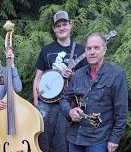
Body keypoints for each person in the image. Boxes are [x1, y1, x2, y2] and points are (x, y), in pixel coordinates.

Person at [60, 32, 128, 152]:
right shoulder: (78, 74)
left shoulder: (116, 74)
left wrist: (115, 138)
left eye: (96, 48)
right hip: (75, 137)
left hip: (98, 140)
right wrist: (70, 111)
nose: (92, 52)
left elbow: (121, 111)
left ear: (104, 50)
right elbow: (64, 98)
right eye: (88, 48)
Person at [33, 11, 87, 152]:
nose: (61, 28)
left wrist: (73, 76)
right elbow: (38, 77)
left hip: (68, 104)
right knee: (41, 141)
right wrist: (36, 101)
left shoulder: (81, 50)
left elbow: (87, 80)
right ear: (54, 29)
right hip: (46, 104)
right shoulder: (46, 50)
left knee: (62, 144)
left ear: (70, 26)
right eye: (58, 25)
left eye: (64, 24)